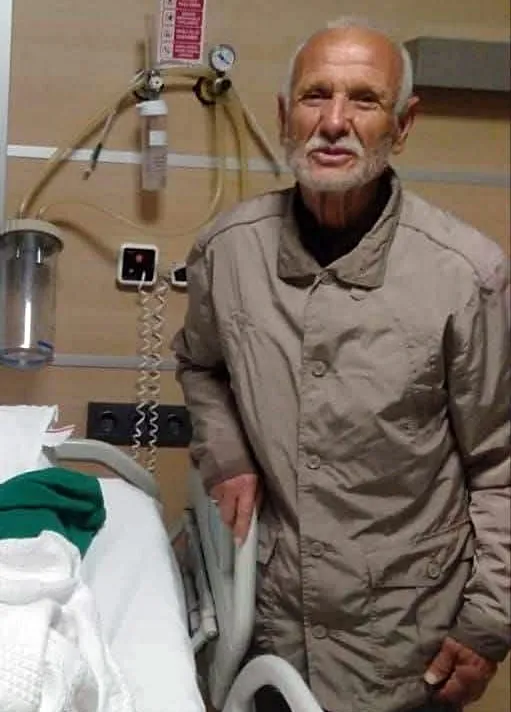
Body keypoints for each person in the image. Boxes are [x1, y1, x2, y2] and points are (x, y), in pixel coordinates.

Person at [172, 16, 510, 712]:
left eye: (363, 99)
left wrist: (488, 622)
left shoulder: (465, 275)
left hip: (404, 640)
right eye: (314, 95)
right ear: (283, 116)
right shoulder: (227, 251)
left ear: (402, 124)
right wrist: (226, 454)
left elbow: (500, 465)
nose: (333, 122)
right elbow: (200, 365)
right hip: (266, 621)